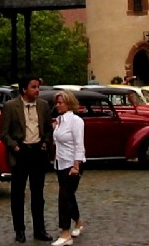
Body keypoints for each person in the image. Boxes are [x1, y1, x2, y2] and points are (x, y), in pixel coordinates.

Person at [0, 76, 54, 243]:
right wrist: (14, 147)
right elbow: (4, 133)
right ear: (24, 89)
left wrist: (45, 142)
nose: (37, 90)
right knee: (18, 194)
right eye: (33, 87)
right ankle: (19, 230)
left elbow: (48, 128)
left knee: (38, 194)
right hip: (20, 153)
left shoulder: (43, 106)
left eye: (38, 87)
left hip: (37, 152)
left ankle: (39, 229)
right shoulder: (10, 106)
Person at [51, 91, 86, 246]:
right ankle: (78, 221)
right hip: (60, 162)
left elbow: (79, 144)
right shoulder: (59, 120)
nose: (58, 105)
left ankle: (65, 233)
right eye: (57, 103)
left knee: (64, 197)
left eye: (61, 102)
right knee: (69, 196)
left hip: (73, 164)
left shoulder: (76, 121)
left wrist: (76, 166)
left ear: (69, 103)